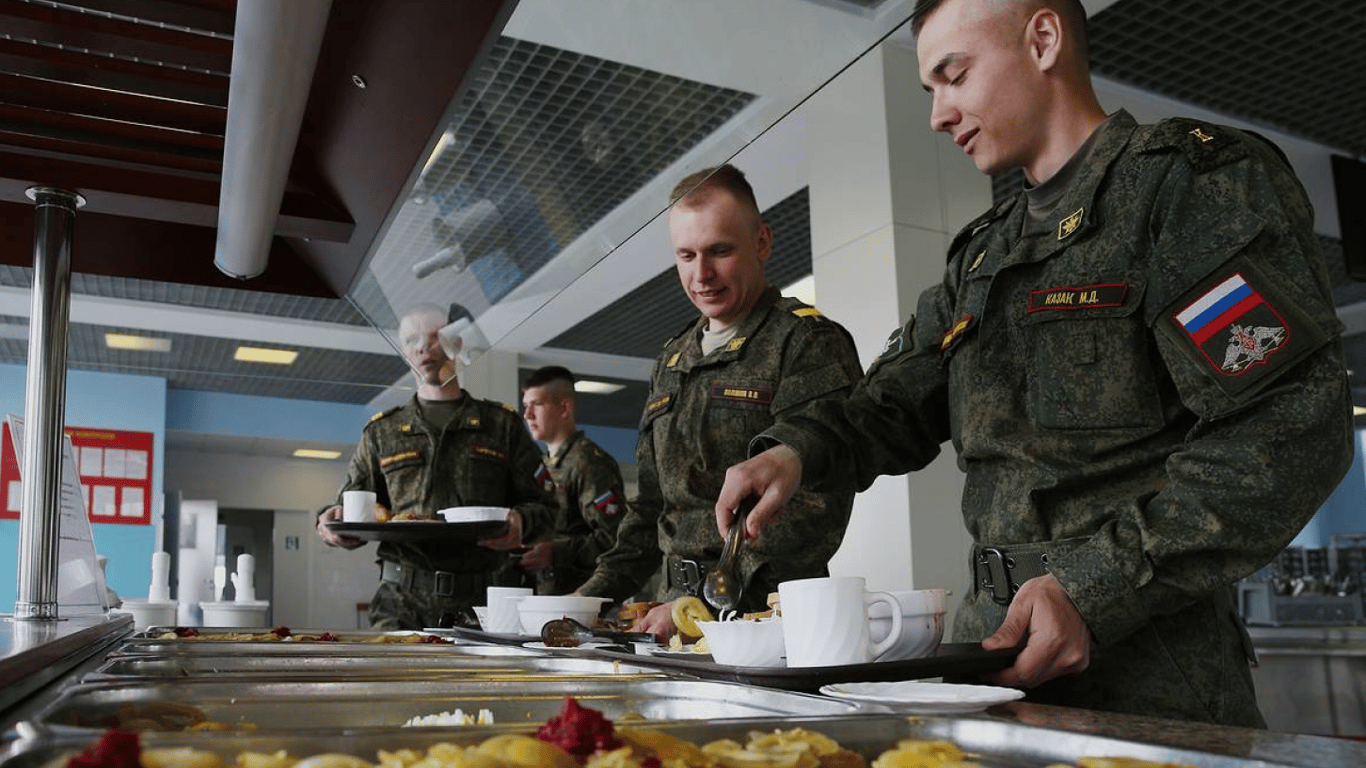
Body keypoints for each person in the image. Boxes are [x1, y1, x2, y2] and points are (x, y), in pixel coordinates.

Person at [715, 0, 1353, 726]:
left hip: (1149, 676)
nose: (939, 114)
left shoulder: (1184, 186)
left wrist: (1090, 586)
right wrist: (795, 451)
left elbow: (1289, 429)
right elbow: (890, 404)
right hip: (988, 661)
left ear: (1043, 39)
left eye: (954, 76)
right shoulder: (983, 256)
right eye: (931, 90)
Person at [576, 164, 865, 638]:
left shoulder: (806, 342)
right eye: (685, 255)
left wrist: (705, 606)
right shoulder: (672, 359)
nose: (701, 274)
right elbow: (651, 508)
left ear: (763, 243)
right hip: (671, 622)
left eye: (719, 251)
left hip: (769, 625)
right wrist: (589, 597)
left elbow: (813, 509)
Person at [316, 303, 557, 630]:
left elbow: (548, 507)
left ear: (457, 343)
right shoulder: (382, 432)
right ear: (403, 352)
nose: (422, 347)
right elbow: (352, 509)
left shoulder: (501, 425)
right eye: (412, 340)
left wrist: (520, 523)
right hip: (401, 604)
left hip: (486, 606)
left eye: (434, 337)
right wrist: (331, 521)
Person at [518, 365, 628, 594]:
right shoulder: (541, 464)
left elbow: (615, 537)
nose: (527, 415)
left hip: (577, 600)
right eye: (525, 406)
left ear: (564, 408)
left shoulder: (588, 463)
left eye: (536, 404)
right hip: (540, 594)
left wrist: (556, 553)